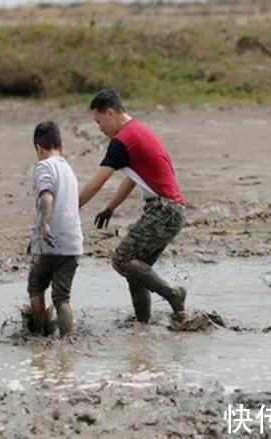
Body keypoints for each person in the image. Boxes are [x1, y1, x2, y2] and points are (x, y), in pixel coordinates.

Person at [79, 89, 186, 323]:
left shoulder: (122, 141)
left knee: (121, 259)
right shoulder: (138, 130)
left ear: (110, 112)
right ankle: (143, 325)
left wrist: (71, 207)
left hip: (164, 211)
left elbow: (97, 183)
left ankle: (174, 295)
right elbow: (132, 178)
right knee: (136, 269)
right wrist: (111, 207)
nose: (99, 128)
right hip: (174, 211)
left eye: (99, 121)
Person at [27, 121, 83, 337]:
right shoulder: (68, 169)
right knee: (62, 298)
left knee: (36, 288)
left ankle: (40, 337)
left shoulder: (43, 166)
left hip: (50, 241)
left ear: (38, 147)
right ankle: (68, 344)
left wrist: (43, 223)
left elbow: (47, 195)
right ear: (61, 146)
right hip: (73, 244)